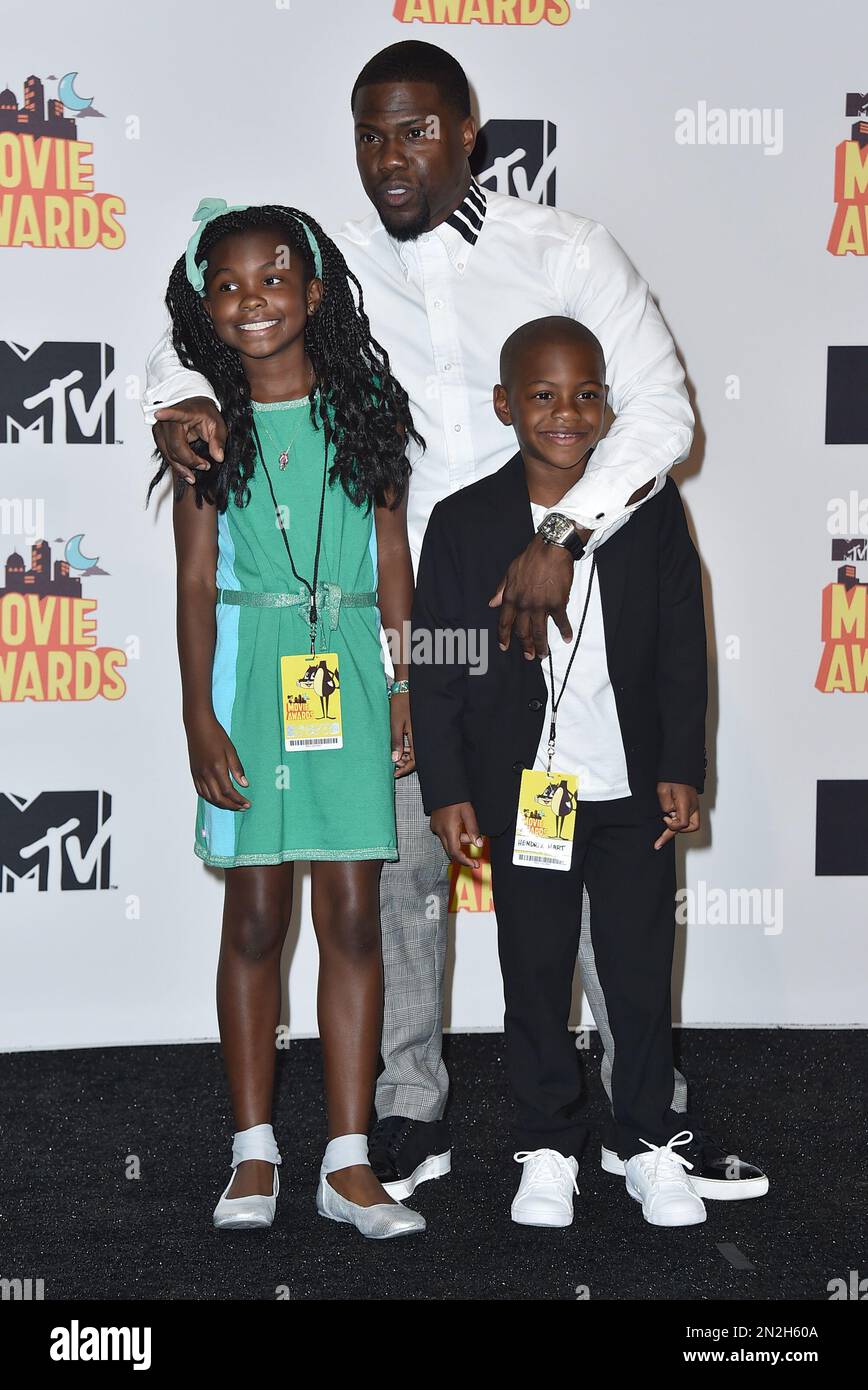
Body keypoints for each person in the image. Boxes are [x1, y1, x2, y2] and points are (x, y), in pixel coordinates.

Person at [141, 42, 765, 1201]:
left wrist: (561, 533)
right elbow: (200, 315)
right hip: (414, 619)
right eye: (371, 132)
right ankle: (405, 1112)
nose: (392, 154)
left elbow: (664, 408)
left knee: (593, 861)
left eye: (416, 129)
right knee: (404, 868)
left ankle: (642, 1122)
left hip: (566, 609)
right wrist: (169, 395)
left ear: (467, 130)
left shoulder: (559, 247)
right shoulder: (323, 259)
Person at [411, 316, 767, 1225]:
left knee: (640, 970)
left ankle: (644, 1142)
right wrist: (447, 787)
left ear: (610, 405)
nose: (566, 413)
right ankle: (546, 1146)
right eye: (542, 394)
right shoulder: (463, 522)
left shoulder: (648, 514)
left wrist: (683, 765)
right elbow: (441, 662)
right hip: (535, 793)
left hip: (631, 787)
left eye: (587, 394)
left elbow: (683, 649)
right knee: (533, 971)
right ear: (503, 405)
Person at [151, 197, 425, 1239]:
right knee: (257, 917)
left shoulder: (368, 410)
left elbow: (390, 558)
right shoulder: (203, 433)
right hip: (250, 679)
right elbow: (192, 583)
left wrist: (403, 683)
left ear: (313, 293)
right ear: (204, 307)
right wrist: (196, 719)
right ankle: (254, 1151)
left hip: (350, 668)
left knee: (353, 915)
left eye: (273, 279)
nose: (251, 300)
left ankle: (348, 1162)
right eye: (227, 284)